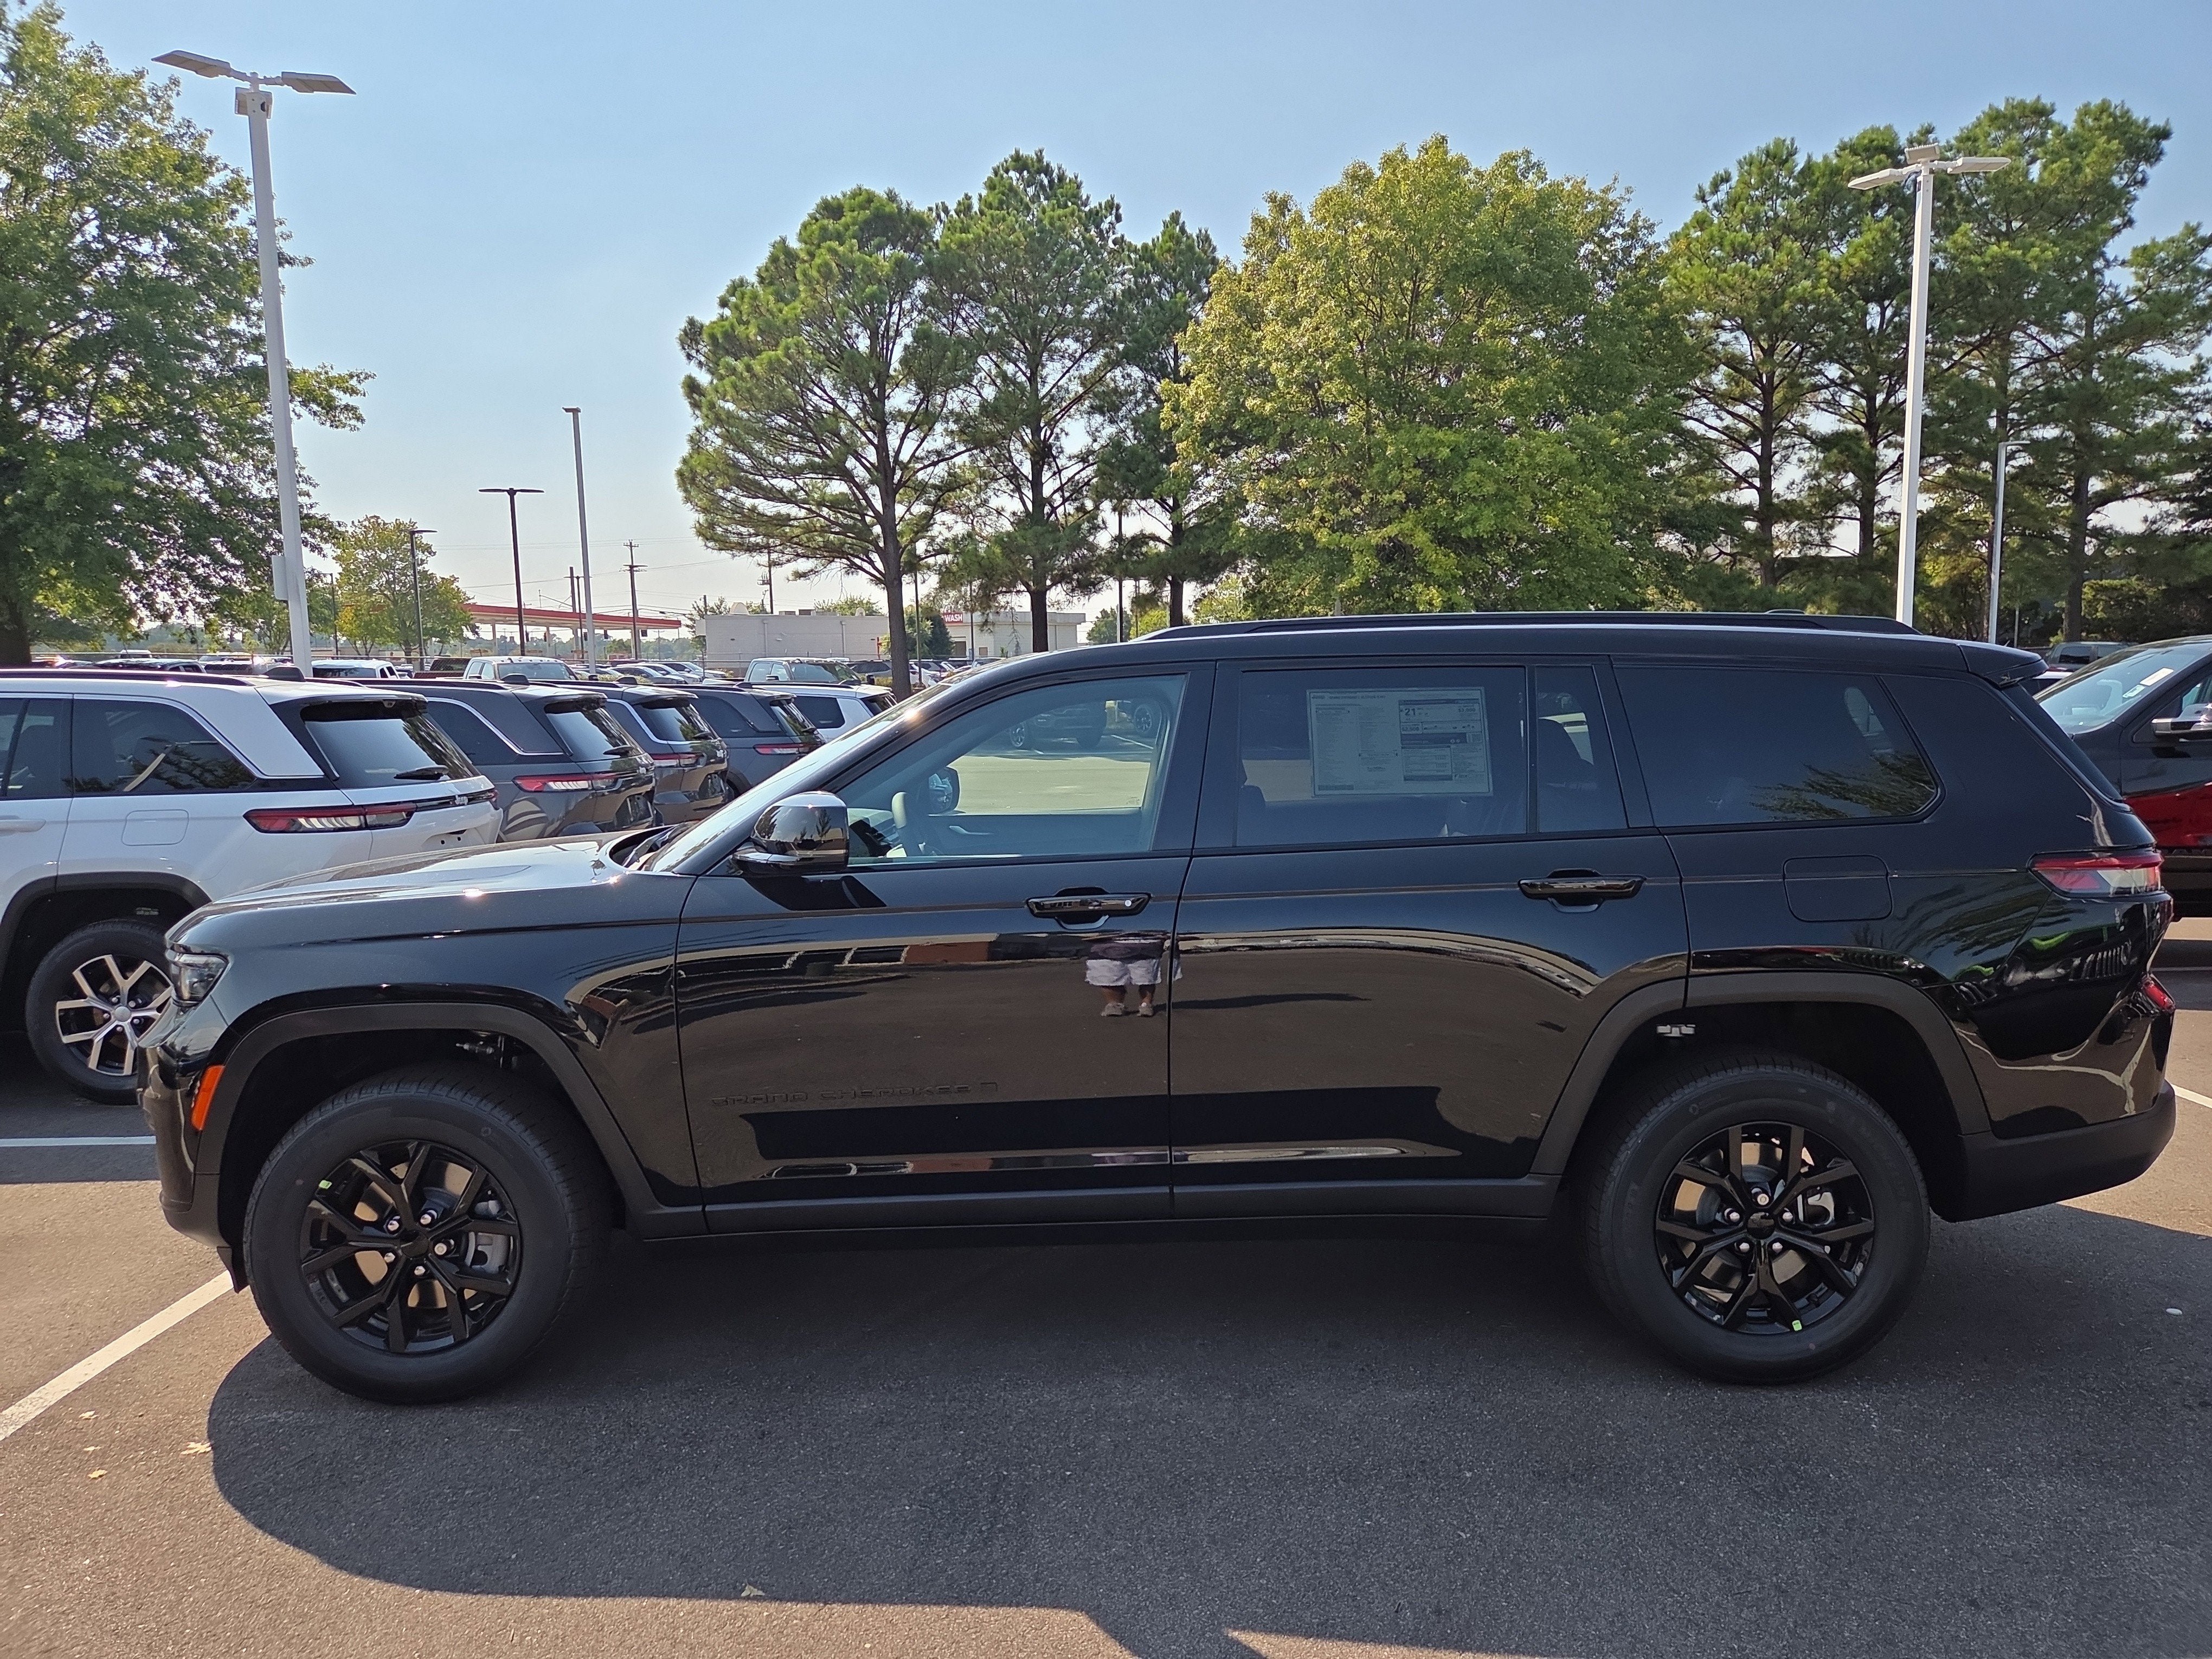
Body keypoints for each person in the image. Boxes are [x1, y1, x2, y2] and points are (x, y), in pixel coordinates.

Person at [1085, 933, 1169, 1017]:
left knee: (1146, 978)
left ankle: (1146, 1004)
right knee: (1109, 978)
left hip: (1145, 941)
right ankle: (1114, 1005)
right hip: (1107, 943)